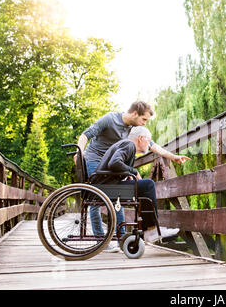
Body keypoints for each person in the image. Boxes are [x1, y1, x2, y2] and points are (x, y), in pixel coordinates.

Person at [76, 101, 190, 251]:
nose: (145, 124)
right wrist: (79, 154)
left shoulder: (134, 130)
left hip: (113, 162)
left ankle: (122, 238)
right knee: (96, 199)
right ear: (135, 114)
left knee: (117, 198)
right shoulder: (110, 119)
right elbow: (86, 134)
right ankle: (100, 241)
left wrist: (173, 156)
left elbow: (151, 145)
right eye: (144, 119)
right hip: (94, 159)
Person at [91, 126, 179, 246]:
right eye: (149, 141)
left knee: (143, 187)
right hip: (107, 188)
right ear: (141, 138)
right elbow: (114, 163)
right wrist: (134, 171)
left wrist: (126, 174)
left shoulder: (126, 145)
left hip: (105, 186)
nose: (149, 145)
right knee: (148, 185)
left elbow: (116, 165)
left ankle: (148, 229)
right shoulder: (129, 145)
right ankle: (150, 229)